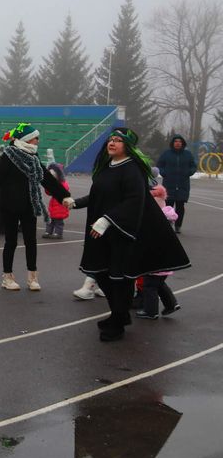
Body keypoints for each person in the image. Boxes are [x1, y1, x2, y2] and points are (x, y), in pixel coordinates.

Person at [64, 127, 190, 342]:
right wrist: (76, 202)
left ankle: (118, 322)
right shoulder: (107, 167)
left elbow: (134, 201)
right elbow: (98, 194)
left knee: (119, 279)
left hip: (121, 232)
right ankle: (119, 315)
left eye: (118, 141)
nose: (112, 143)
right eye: (110, 140)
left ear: (127, 146)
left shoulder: (132, 169)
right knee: (101, 273)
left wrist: (106, 220)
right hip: (101, 231)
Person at [0, 123, 70, 291]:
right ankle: (7, 277)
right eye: (36, 138)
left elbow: (46, 178)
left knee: (31, 242)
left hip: (29, 206)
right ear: (27, 139)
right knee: (10, 242)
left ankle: (32, 277)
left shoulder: (33, 157)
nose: (38, 141)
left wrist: (64, 196)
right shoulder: (9, 156)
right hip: (10, 206)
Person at [135, 184, 181, 320]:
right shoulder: (167, 219)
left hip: (156, 261)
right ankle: (171, 304)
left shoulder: (155, 221)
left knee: (150, 285)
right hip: (165, 260)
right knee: (159, 284)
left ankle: (151, 311)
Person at [156, 135, 196, 234]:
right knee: (168, 206)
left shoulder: (188, 154)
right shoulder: (166, 154)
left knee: (180, 206)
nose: (178, 143)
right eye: (176, 141)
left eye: (179, 141)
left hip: (183, 184)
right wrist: (164, 173)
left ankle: (178, 226)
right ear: (172, 143)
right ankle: (168, 225)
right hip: (169, 184)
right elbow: (159, 165)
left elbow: (193, 166)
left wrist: (189, 172)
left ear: (182, 143)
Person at [42, 163, 70, 239]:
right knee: (50, 220)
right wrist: (48, 187)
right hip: (53, 205)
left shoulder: (63, 183)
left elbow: (65, 190)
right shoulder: (53, 183)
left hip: (60, 205)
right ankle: (48, 232)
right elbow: (49, 193)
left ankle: (58, 233)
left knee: (58, 222)